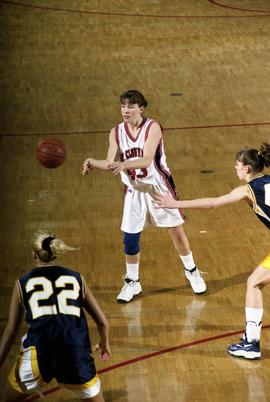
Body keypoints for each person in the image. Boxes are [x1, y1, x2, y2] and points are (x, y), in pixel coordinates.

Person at [82, 89, 206, 303]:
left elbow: (147, 159)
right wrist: (93, 162)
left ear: (141, 108)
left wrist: (123, 164)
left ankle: (192, 270)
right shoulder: (116, 132)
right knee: (130, 238)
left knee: (175, 232)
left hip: (158, 186)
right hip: (134, 190)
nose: (125, 110)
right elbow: (110, 161)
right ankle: (133, 281)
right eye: (123, 106)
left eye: (130, 106)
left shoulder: (153, 127)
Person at [153, 143, 270, 360]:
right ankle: (251, 342)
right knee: (254, 281)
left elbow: (212, 203)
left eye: (237, 165)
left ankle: (252, 343)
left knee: (254, 283)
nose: (234, 169)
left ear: (247, 169)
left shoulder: (247, 189)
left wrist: (176, 203)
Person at [0, 229, 111, 401]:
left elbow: (11, 330)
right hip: (75, 353)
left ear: (34, 255)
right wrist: (105, 344)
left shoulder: (21, 284)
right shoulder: (76, 278)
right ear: (55, 254)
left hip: (39, 354)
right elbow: (102, 322)